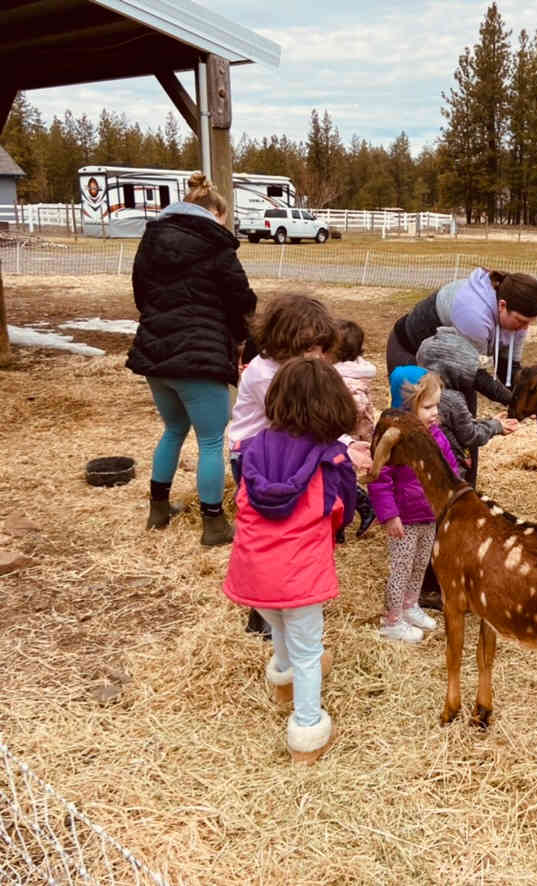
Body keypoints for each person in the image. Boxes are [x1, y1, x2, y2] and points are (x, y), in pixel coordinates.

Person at [223, 357, 357, 764]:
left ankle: (282, 681)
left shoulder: (251, 448)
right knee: (307, 650)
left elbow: (243, 501)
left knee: (277, 623)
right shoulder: (329, 458)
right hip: (300, 573)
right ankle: (307, 729)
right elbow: (341, 511)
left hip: (254, 569)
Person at [126, 171, 256, 546]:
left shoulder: (151, 238)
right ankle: (214, 524)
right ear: (215, 213)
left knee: (173, 430)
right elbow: (241, 300)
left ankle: (158, 509)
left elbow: (140, 292)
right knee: (212, 440)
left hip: (156, 356)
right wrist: (238, 336)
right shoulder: (216, 244)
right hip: (201, 356)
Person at [368, 371, 459, 643]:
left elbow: (449, 467)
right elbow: (379, 481)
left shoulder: (437, 436)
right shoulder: (393, 441)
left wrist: (450, 498)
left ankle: (410, 606)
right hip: (404, 518)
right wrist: (389, 515)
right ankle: (392, 620)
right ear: (408, 407)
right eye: (427, 406)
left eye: (436, 406)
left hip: (429, 513)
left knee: (420, 564)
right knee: (401, 567)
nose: (435, 413)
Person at [386, 267, 537, 404]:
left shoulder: (517, 320)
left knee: (463, 418)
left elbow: (508, 367)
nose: (524, 328)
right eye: (521, 321)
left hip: (450, 360)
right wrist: (511, 400)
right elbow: (473, 374)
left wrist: (527, 396)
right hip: (409, 351)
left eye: (529, 323)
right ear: (502, 305)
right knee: (424, 415)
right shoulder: (474, 315)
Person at [228, 293, 338, 486]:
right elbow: (298, 419)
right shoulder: (264, 375)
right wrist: (342, 445)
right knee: (265, 509)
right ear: (285, 342)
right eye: (311, 348)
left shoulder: (298, 368)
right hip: (252, 453)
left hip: (282, 449)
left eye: (321, 348)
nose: (319, 356)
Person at [417, 327, 519, 479]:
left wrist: (490, 422)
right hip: (452, 472)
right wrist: (496, 426)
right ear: (454, 369)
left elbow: (459, 425)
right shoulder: (452, 400)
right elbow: (470, 435)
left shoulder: (417, 393)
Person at [332, 319, 377, 539]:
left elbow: (356, 405)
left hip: (349, 435)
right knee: (341, 476)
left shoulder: (345, 379)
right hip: (353, 433)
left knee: (341, 477)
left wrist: (340, 418)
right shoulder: (356, 371)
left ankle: (351, 516)